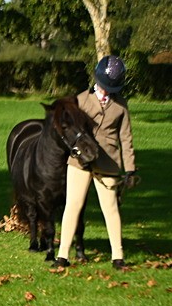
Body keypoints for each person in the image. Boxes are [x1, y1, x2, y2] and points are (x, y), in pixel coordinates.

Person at [55, 55, 137, 270]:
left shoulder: (121, 106)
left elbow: (126, 138)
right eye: (104, 87)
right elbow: (69, 130)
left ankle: (118, 256)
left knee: (110, 209)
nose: (106, 92)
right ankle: (62, 255)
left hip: (108, 163)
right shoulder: (81, 100)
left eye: (111, 88)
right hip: (80, 162)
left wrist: (130, 169)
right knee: (72, 206)